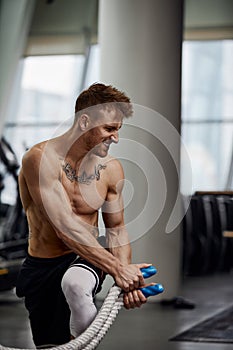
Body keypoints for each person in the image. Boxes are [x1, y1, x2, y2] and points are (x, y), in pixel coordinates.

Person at [16, 83, 152, 348]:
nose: (115, 138)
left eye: (118, 130)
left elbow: (117, 229)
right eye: (109, 129)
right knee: (51, 345)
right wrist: (119, 269)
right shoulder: (40, 159)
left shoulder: (111, 169)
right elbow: (63, 226)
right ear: (85, 121)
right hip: (42, 266)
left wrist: (125, 283)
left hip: (87, 255)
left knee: (76, 285)